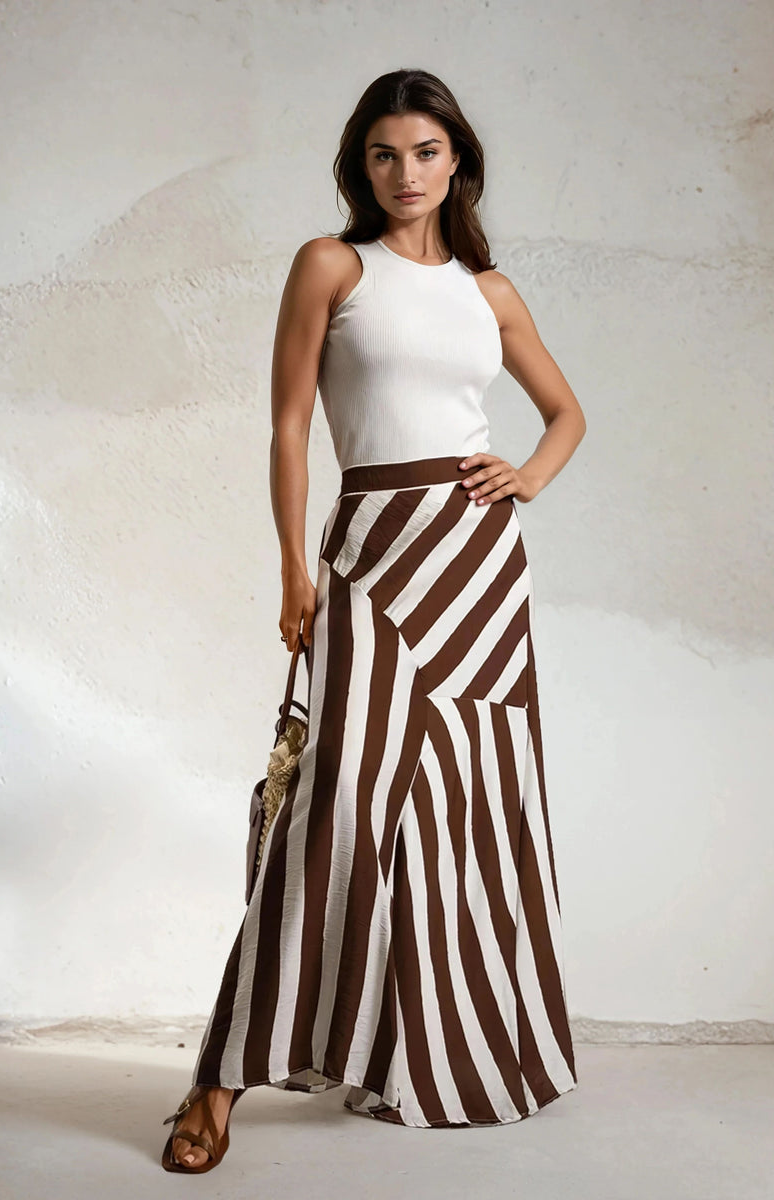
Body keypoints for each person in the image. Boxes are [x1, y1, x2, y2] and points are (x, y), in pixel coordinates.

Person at [161, 67, 587, 1173]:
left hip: (479, 570)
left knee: (470, 812)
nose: (406, 174)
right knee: (334, 808)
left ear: (459, 162)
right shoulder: (330, 265)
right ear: (362, 163)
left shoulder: (490, 292)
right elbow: (290, 431)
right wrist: (294, 567)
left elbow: (566, 410)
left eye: (427, 153)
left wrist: (527, 477)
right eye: (385, 154)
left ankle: (452, 1054)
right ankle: (218, 1079)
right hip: (372, 556)